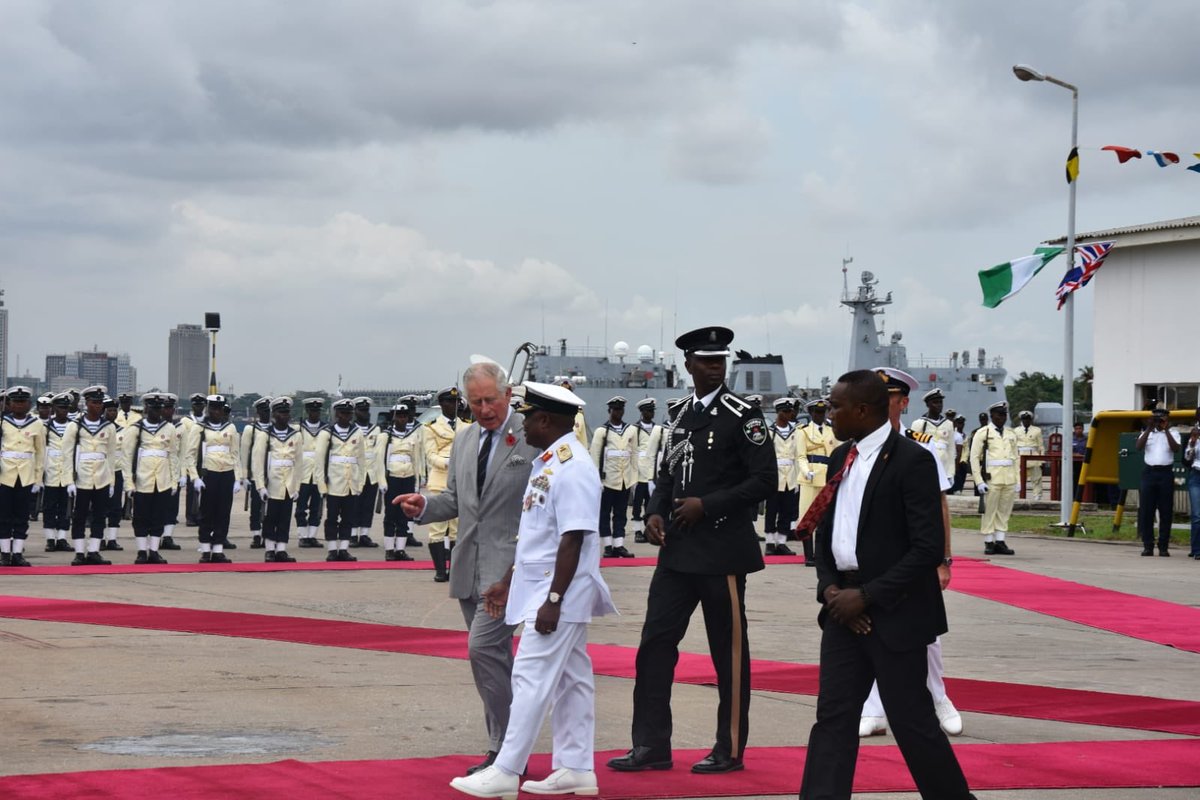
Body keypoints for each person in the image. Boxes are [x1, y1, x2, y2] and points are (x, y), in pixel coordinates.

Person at [798, 369, 976, 800]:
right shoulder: (843, 456)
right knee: (833, 717)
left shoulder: (913, 461)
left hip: (894, 611)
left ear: (862, 410)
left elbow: (926, 547)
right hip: (843, 606)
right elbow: (827, 531)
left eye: (836, 406)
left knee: (912, 721)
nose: (829, 413)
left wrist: (868, 598)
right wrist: (830, 590)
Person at [608, 325, 775, 775]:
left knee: (729, 655)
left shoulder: (745, 416)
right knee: (655, 647)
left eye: (720, 360)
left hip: (722, 553)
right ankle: (651, 745)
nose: (715, 367)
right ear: (689, 365)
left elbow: (764, 480)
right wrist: (655, 513)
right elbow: (668, 473)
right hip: (677, 553)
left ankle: (730, 747)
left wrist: (708, 505)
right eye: (706, 360)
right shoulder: (680, 413)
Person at [448, 381, 617, 800]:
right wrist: (508, 580)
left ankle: (505, 770)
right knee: (572, 681)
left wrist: (554, 602)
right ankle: (576, 768)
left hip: (557, 594)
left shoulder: (574, 466)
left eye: (527, 417)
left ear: (545, 420)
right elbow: (536, 535)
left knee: (529, 676)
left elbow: (574, 539)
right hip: (543, 587)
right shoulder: (551, 462)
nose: (521, 424)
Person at [396, 362, 541, 776]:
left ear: (508, 394)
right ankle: (506, 747)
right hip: (469, 568)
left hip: (510, 571)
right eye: (475, 402)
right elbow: (457, 502)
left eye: (491, 400)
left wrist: (521, 568)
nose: (484, 409)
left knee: (483, 651)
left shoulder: (530, 437)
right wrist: (424, 506)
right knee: (492, 662)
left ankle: (507, 752)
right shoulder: (464, 439)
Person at [856, 368, 961, 739]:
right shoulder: (858, 446)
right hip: (871, 557)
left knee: (926, 634)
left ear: (903, 403)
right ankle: (873, 709)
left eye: (891, 399)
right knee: (868, 630)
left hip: (915, 556)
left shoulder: (922, 446)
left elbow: (939, 505)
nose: (885, 406)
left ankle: (939, 698)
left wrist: (943, 560)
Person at [60, 386, 119, 566]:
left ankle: (93, 551)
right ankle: (79, 552)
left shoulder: (108, 427)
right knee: (79, 516)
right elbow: (66, 455)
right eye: (94, 402)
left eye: (100, 403)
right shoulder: (75, 426)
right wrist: (68, 481)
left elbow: (110, 455)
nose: (98, 406)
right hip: (82, 477)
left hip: (101, 477)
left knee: (100, 516)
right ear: (87, 403)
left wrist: (111, 482)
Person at [122, 393, 181, 565]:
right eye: (153, 408)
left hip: (162, 481)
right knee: (141, 518)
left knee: (158, 517)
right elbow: (127, 457)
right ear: (146, 409)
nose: (156, 412)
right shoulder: (136, 429)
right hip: (142, 481)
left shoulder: (168, 428)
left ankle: (154, 551)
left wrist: (174, 480)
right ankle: (142, 551)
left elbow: (173, 456)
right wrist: (128, 483)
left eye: (159, 408)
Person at [185, 394, 244, 564]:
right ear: (208, 409)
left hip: (226, 473)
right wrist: (195, 477)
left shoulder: (230, 428)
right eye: (213, 408)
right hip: (208, 474)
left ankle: (218, 549)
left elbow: (235, 454)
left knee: (223, 513)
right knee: (207, 513)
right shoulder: (199, 428)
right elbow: (190, 455)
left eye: (219, 409)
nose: (216, 412)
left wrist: (236, 478)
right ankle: (205, 549)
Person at [314, 398, 367, 562]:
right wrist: (321, 486)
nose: (346, 417)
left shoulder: (356, 432)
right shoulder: (326, 433)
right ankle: (331, 549)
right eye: (343, 413)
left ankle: (343, 548)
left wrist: (360, 482)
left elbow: (361, 460)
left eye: (349, 414)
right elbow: (319, 461)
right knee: (331, 518)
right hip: (334, 483)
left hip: (351, 483)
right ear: (337, 414)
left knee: (348, 518)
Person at [252, 396, 303, 563]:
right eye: (281, 413)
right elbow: (257, 462)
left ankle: (281, 549)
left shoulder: (295, 436)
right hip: (272, 481)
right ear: (274, 414)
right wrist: (260, 486)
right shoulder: (265, 435)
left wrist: (296, 487)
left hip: (288, 482)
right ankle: (269, 549)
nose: (285, 416)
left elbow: (298, 463)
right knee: (270, 517)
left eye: (287, 413)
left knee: (284, 517)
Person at [589, 396, 640, 558]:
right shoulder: (602, 432)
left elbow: (634, 454)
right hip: (607, 480)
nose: (618, 412)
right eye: (615, 409)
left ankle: (619, 545)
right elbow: (595, 457)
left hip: (624, 480)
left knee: (621, 514)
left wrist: (634, 478)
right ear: (609, 411)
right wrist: (596, 480)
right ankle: (608, 545)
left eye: (621, 409)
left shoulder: (631, 430)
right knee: (604, 514)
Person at [375, 400, 425, 563]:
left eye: (405, 416)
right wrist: (382, 481)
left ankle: (400, 549)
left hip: (408, 477)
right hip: (392, 478)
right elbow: (379, 461)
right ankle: (390, 549)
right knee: (391, 515)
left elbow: (417, 459)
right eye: (399, 417)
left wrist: (418, 481)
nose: (402, 420)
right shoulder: (385, 436)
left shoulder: (413, 436)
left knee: (406, 514)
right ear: (394, 418)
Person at [0, 386, 45, 566]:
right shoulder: (3, 422)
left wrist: (38, 479)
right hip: (5, 475)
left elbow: (40, 453)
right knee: (3, 516)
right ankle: (4, 553)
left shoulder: (36, 424)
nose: (19, 405)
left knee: (21, 515)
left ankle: (17, 552)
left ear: (29, 404)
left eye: (23, 402)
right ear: (9, 404)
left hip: (25, 475)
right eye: (15, 402)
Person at [423, 387, 464, 575]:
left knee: (456, 529)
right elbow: (431, 456)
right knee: (438, 528)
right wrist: (450, 462)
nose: (453, 405)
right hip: (440, 480)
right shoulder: (431, 427)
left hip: (461, 481)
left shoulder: (467, 426)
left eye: (456, 402)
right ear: (441, 404)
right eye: (449, 402)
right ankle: (440, 570)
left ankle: (455, 570)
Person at [969, 401, 1018, 556]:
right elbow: (974, 458)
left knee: (1004, 511)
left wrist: (1018, 480)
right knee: (990, 511)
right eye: (999, 414)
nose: (1002, 418)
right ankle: (989, 541)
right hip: (991, 478)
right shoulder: (984, 433)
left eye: (1004, 415)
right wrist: (979, 481)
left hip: (1009, 477)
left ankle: (1000, 540)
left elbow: (1015, 458)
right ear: (992, 415)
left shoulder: (1011, 433)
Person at [795, 398, 837, 566]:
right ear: (811, 413)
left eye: (822, 412)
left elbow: (836, 452)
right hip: (810, 476)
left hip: (827, 475)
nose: (820, 415)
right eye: (817, 412)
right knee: (807, 515)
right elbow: (800, 456)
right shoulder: (803, 431)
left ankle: (821, 554)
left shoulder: (832, 430)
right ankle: (808, 555)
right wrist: (806, 471)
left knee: (825, 517)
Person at [1136, 407, 1179, 557]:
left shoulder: (1173, 433)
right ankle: (1148, 545)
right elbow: (1138, 446)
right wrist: (1149, 428)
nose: (1159, 421)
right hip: (1149, 473)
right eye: (1156, 419)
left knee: (1166, 511)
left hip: (1166, 473)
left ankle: (1163, 546)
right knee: (1147, 510)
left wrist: (1165, 430)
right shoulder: (1147, 433)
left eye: (1162, 419)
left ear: (1168, 420)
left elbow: (1175, 448)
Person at [765, 398, 800, 556]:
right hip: (775, 475)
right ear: (778, 413)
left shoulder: (796, 432)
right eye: (784, 411)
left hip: (790, 476)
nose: (788, 414)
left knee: (787, 510)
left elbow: (799, 455)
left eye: (789, 411)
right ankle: (770, 542)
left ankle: (782, 542)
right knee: (771, 510)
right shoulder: (770, 432)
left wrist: (798, 478)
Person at [41, 392, 75, 554]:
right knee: (49, 508)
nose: (64, 411)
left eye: (66, 408)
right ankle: (50, 539)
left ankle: (62, 538)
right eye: (60, 408)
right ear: (54, 408)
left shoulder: (74, 426)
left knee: (65, 508)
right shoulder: (45, 427)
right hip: (51, 473)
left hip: (67, 474)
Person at [631, 398, 664, 545]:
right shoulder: (635, 429)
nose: (651, 414)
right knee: (638, 504)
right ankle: (637, 530)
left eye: (652, 411)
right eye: (648, 411)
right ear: (642, 412)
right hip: (639, 472)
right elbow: (632, 451)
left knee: (650, 503)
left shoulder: (658, 429)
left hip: (652, 473)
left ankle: (647, 530)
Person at [295, 397, 327, 549]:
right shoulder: (298, 429)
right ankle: (302, 536)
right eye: (312, 410)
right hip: (303, 473)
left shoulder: (326, 429)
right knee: (301, 507)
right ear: (307, 411)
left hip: (319, 474)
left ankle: (312, 535)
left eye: (317, 411)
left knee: (317, 507)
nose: (315, 414)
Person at [350, 397, 381, 549]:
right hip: (356, 472)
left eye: (367, 410)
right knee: (355, 505)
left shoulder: (376, 429)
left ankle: (364, 534)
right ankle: (352, 534)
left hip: (372, 472)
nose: (365, 413)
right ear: (355, 412)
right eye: (362, 410)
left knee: (368, 505)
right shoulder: (351, 430)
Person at [243, 396, 272, 549]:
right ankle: (256, 534)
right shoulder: (251, 429)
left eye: (268, 410)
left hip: (272, 474)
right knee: (256, 507)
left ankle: (267, 534)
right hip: (255, 474)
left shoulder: (275, 429)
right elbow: (245, 453)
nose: (266, 413)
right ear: (258, 412)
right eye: (263, 410)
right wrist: (244, 476)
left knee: (269, 508)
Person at [910, 389, 956, 483]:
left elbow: (951, 450)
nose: (939, 405)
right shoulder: (919, 424)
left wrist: (951, 473)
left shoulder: (948, 424)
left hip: (944, 466)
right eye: (935, 402)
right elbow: (912, 450)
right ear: (928, 405)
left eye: (940, 402)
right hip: (924, 467)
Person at [180, 393, 207, 526]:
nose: (198, 407)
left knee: (205, 489)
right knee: (191, 490)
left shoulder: (207, 421)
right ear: (192, 406)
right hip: (190, 458)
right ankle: (190, 516)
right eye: (196, 405)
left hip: (205, 459)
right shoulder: (185, 421)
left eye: (201, 405)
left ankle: (202, 515)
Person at [1014, 410, 1045, 501]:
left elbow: (1040, 446)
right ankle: (1017, 496)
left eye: (1028, 419)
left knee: (1036, 478)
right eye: (1024, 419)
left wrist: (1042, 460)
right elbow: (1013, 446)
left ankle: (1037, 495)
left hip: (1033, 457)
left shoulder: (1037, 430)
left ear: (1030, 420)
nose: (1026, 421)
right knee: (1018, 479)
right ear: (1021, 420)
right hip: (1020, 457)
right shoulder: (1016, 431)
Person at [1184, 410, 1200, 559]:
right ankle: (1196, 550)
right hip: (1196, 475)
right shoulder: (1195, 433)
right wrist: (1193, 442)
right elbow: (1188, 457)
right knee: (1196, 515)